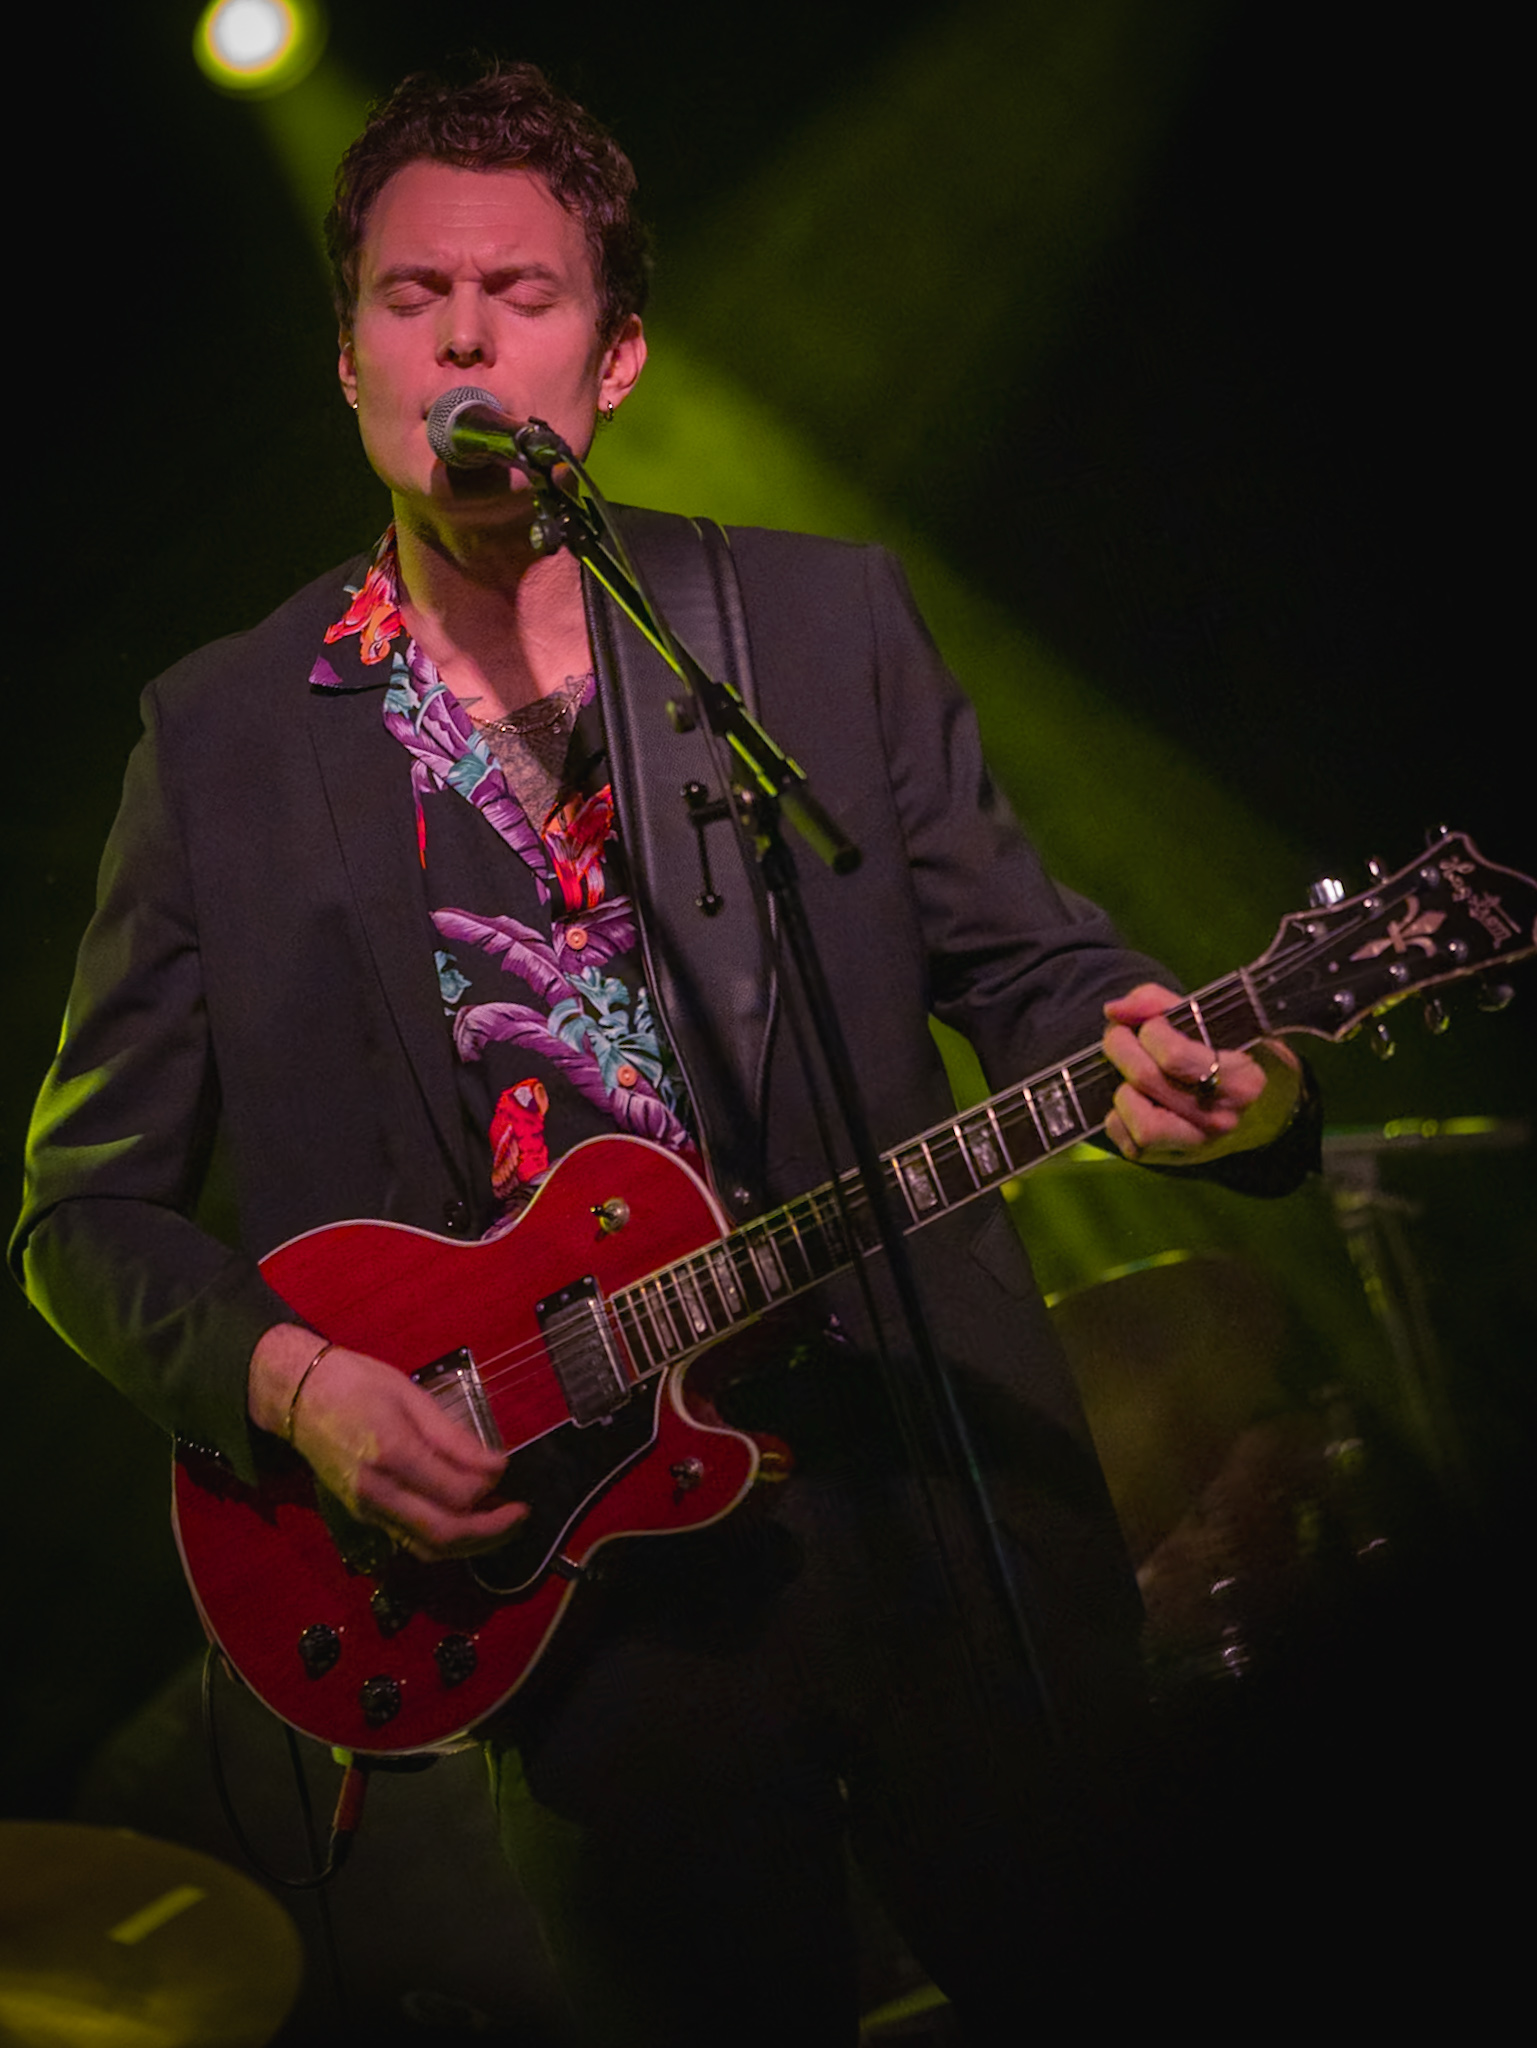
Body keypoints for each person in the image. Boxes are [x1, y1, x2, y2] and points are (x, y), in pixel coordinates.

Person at [13, 64, 1314, 2047]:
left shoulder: (808, 626)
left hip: (941, 1511)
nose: (463, 336)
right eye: (411, 295)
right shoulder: (220, 739)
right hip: (577, 1605)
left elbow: (1031, 962)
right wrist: (303, 1387)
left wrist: (1199, 1072)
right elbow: (81, 1214)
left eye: (520, 294)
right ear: (348, 361)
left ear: (613, 358)